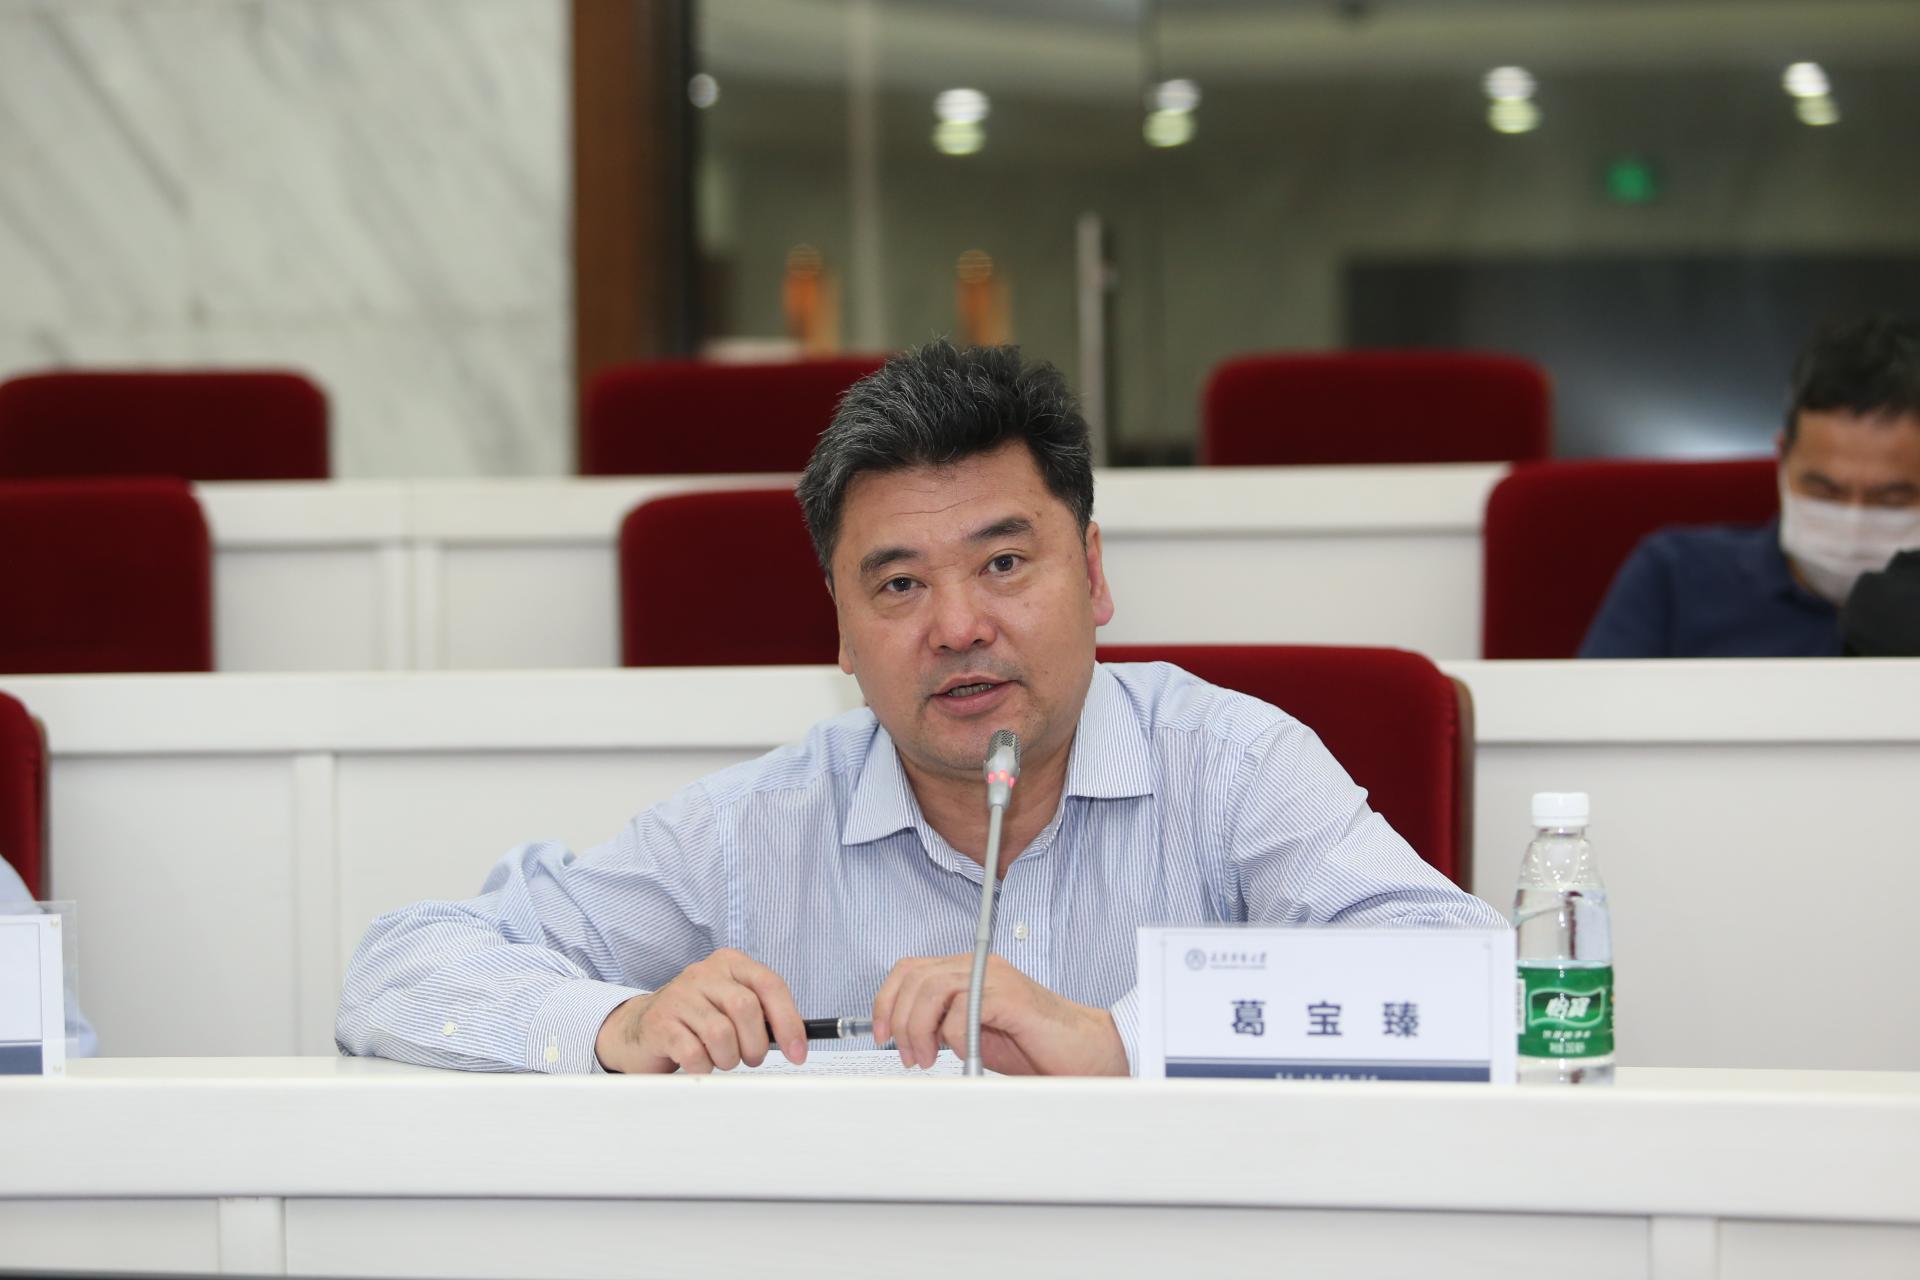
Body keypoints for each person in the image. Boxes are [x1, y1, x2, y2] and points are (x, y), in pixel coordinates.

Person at [336, 342, 1503, 1076]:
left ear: (1093, 574)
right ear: (840, 631)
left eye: (1005, 564)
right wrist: (615, 1024)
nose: (956, 625)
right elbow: (401, 964)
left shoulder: (1235, 767)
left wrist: (1118, 1038)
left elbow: (1471, 979)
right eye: (898, 585)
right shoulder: (756, 830)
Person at [1581, 314, 1920, 658]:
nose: (1853, 522)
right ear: (1783, 458)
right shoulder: (1672, 578)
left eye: (1891, 500)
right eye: (1824, 492)